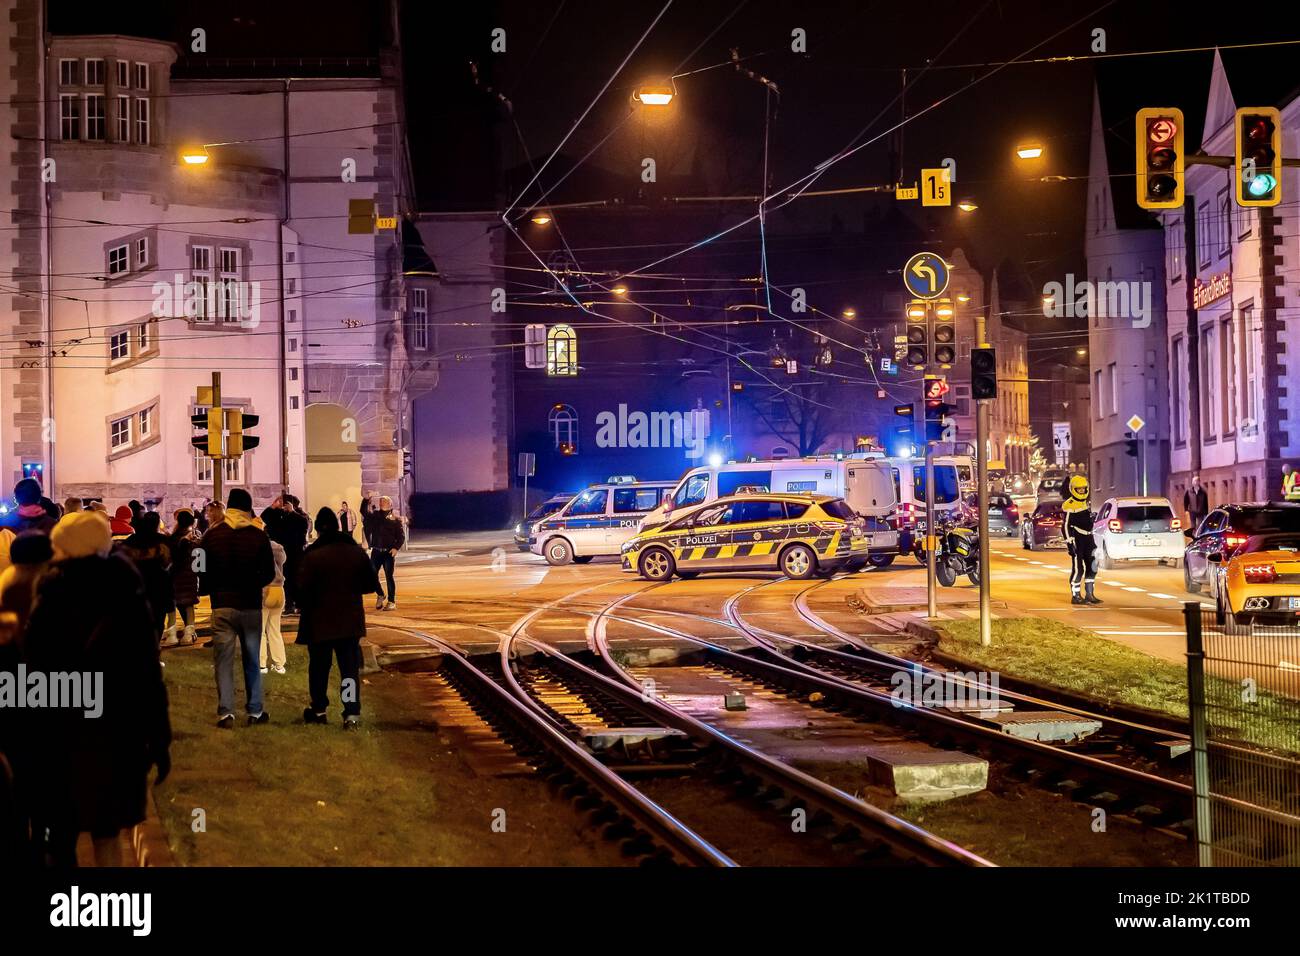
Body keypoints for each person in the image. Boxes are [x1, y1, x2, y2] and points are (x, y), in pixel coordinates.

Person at [23, 511, 170, 867]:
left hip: (63, 728)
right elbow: (146, 672)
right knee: (107, 832)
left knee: (61, 832)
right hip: (116, 730)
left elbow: (35, 673)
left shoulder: (51, 595)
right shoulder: (126, 592)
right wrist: (159, 736)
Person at [199, 489, 275, 728]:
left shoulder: (211, 535)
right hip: (250, 604)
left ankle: (226, 712)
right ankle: (254, 710)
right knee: (252, 659)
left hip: (222, 604)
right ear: (247, 508)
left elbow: (198, 566)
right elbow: (269, 572)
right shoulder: (258, 535)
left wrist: (211, 586)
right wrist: (254, 583)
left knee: (223, 660)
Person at [297, 508, 378, 728]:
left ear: (318, 528)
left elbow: (300, 590)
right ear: (337, 526)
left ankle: (319, 709)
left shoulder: (312, 555)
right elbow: (371, 585)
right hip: (349, 621)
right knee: (349, 670)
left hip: (318, 621)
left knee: (319, 669)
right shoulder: (355, 553)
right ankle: (351, 712)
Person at [118, 512, 174, 647]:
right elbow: (170, 562)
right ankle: (154, 650)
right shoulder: (164, 540)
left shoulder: (131, 541)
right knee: (158, 620)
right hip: (160, 587)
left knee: (138, 622)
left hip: (137, 587)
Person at [261, 495, 309, 615]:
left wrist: (292, 512)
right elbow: (264, 518)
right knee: (285, 580)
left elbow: (304, 525)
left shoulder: (299, 516)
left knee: (296, 579)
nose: (281, 504)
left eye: (282, 501)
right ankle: (289, 605)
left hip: (296, 553)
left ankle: (299, 605)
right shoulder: (278, 514)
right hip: (282, 553)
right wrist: (272, 506)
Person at [1062, 474, 1102, 606]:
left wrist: (1091, 518)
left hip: (1089, 538)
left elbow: (1087, 520)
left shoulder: (1086, 502)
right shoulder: (1069, 505)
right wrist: (1070, 544)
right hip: (1077, 540)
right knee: (1079, 569)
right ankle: (1076, 595)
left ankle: (1089, 594)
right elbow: (1066, 526)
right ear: (1073, 489)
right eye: (1079, 489)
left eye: (1083, 489)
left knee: (1093, 566)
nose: (1082, 491)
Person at [254, 518, 287, 676]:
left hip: (264, 589)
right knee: (275, 629)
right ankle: (279, 664)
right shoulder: (277, 547)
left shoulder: (255, 547)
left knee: (260, 631)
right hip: (279, 590)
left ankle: (262, 664)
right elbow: (283, 561)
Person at [361, 494, 405, 610]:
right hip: (376, 551)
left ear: (390, 505)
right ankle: (380, 594)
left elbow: (401, 537)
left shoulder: (395, 520)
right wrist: (366, 499)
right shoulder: (375, 516)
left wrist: (396, 548)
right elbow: (363, 512)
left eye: (384, 501)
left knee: (389, 576)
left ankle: (391, 601)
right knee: (371, 575)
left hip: (388, 553)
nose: (381, 503)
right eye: (380, 501)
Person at [164, 510, 201, 647]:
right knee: (189, 605)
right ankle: (188, 634)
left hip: (174, 576)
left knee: (172, 606)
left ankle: (172, 635)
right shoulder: (196, 537)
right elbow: (200, 561)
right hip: (190, 576)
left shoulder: (172, 538)